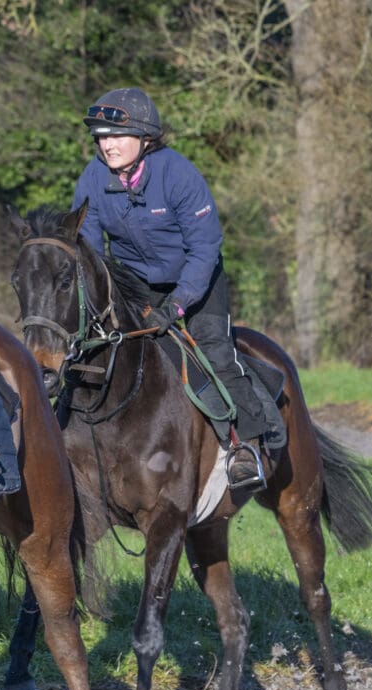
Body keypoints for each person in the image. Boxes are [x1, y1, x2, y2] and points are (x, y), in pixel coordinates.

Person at [72, 87, 278, 489]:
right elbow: (91, 251)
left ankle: (246, 443)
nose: (106, 144)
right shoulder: (92, 178)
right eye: (101, 136)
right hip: (134, 286)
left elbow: (204, 248)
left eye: (116, 135)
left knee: (213, 351)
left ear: (146, 137)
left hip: (196, 282)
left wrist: (179, 305)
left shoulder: (179, 174)